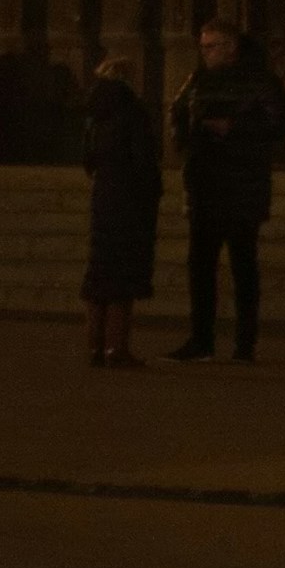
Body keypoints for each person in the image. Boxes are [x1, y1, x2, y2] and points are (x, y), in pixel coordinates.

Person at [168, 17, 285, 363]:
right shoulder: (196, 80)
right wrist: (188, 136)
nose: (204, 53)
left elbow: (279, 123)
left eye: (211, 46)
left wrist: (234, 128)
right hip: (205, 181)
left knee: (242, 264)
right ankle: (201, 339)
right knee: (201, 264)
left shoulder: (260, 81)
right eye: (202, 46)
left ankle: (244, 343)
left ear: (230, 47)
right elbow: (177, 115)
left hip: (242, 184)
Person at [80, 57, 160, 369]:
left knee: (100, 267)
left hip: (104, 192)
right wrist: (151, 191)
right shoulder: (132, 111)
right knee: (124, 271)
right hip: (129, 195)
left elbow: (87, 158)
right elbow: (143, 159)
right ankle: (117, 346)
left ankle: (94, 346)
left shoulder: (94, 113)